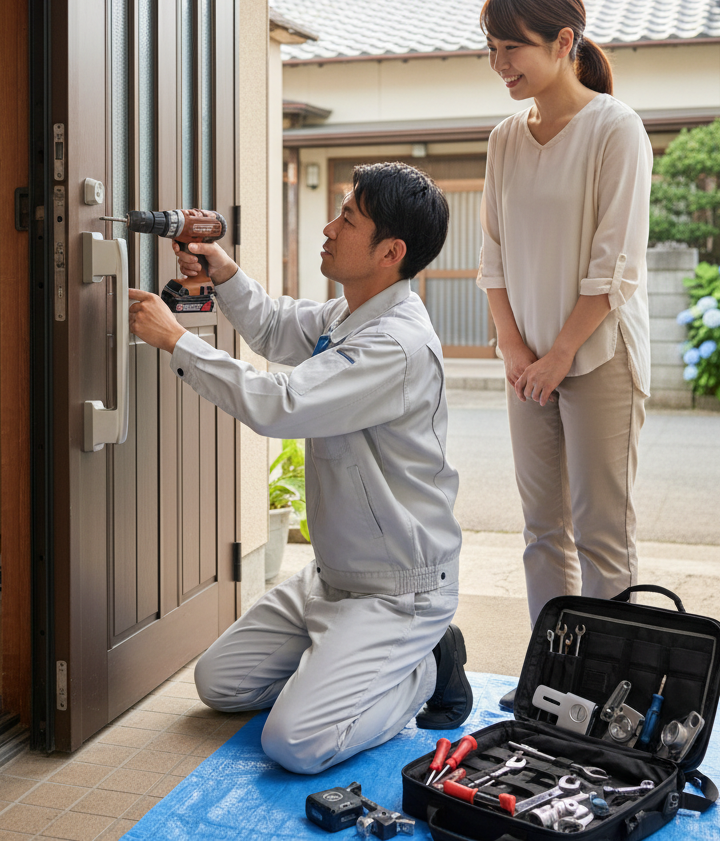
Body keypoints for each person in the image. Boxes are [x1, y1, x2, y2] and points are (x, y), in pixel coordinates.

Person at [128, 162, 471, 775]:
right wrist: (225, 273)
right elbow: (277, 326)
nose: (329, 226)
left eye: (348, 218)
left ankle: (421, 670)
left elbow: (279, 405)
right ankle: (344, 660)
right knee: (220, 685)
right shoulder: (348, 315)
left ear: (390, 251)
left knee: (295, 744)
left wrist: (176, 339)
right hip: (329, 582)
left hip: (397, 592)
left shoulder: (392, 345)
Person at [476, 0, 652, 630]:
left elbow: (615, 266)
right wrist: (516, 351)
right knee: (541, 529)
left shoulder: (615, 128)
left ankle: (609, 687)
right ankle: (553, 677)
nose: (499, 64)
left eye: (510, 47)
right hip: (527, 359)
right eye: (490, 49)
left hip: (598, 355)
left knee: (601, 531)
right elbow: (492, 257)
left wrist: (560, 355)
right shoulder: (504, 140)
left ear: (561, 42)